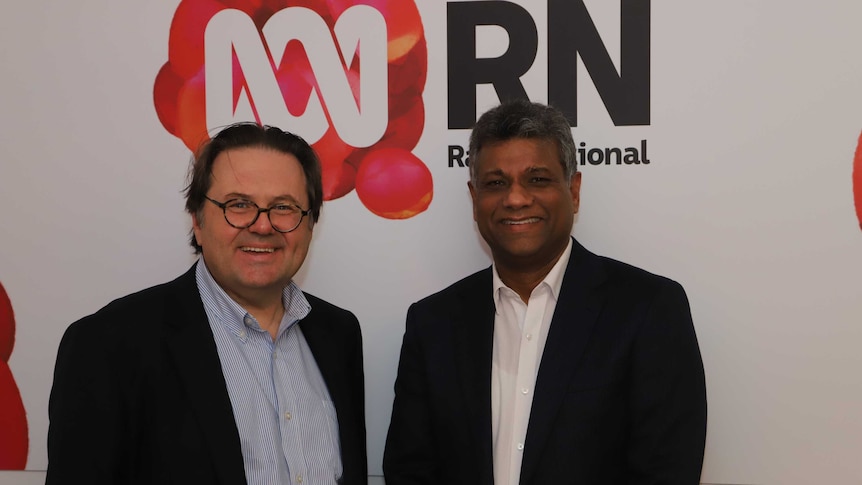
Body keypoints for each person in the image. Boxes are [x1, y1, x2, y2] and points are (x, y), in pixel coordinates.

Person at [383, 100, 707, 485]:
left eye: (537, 179)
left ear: (574, 190)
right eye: (496, 183)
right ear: (474, 199)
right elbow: (410, 471)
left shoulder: (649, 310)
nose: (516, 198)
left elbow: (667, 472)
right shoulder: (432, 324)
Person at [47, 123, 367, 485]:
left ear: (310, 225)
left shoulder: (339, 335)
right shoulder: (108, 345)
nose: (263, 226)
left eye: (284, 207)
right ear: (197, 219)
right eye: (239, 205)